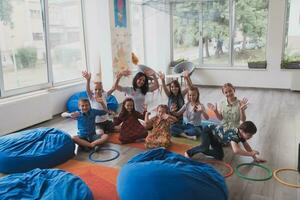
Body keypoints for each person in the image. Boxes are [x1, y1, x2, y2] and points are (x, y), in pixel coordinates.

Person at [185, 121, 266, 162]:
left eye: (251, 135)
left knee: (219, 156)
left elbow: (246, 146)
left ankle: (204, 151)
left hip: (216, 139)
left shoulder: (240, 134)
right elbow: (236, 150)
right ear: (242, 131)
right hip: (208, 131)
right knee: (204, 147)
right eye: (249, 135)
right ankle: (189, 152)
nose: (251, 137)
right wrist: (251, 154)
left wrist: (255, 158)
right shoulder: (234, 135)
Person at [82, 70, 115, 135]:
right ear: (93, 90)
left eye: (99, 89)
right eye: (95, 89)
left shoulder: (104, 95)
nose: (97, 91)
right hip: (97, 122)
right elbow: (88, 90)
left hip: (106, 120)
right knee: (100, 133)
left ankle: (106, 129)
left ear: (102, 90)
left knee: (118, 128)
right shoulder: (92, 97)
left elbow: (113, 88)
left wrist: (118, 78)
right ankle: (101, 130)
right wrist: (88, 80)